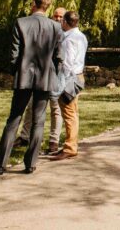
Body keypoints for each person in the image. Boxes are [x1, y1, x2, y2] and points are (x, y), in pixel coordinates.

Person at [0, 0, 65, 175]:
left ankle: (1, 163)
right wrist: (53, 74)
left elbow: (14, 54)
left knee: (14, 118)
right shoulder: (56, 27)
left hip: (23, 76)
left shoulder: (21, 23)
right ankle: (31, 163)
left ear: (34, 4)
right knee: (39, 120)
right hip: (45, 77)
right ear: (48, 7)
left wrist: (16, 71)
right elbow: (59, 56)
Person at [17, 5, 66, 155]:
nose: (58, 18)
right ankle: (25, 136)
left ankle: (53, 141)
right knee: (31, 107)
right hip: (41, 76)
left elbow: (61, 57)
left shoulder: (65, 33)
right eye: (56, 15)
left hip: (56, 76)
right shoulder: (48, 29)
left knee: (55, 109)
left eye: (61, 16)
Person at [52, 11, 87, 161]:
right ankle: (70, 144)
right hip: (78, 76)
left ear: (65, 22)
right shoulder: (81, 36)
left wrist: (61, 83)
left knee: (69, 113)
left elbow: (67, 63)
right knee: (73, 112)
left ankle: (70, 148)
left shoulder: (68, 40)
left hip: (70, 79)